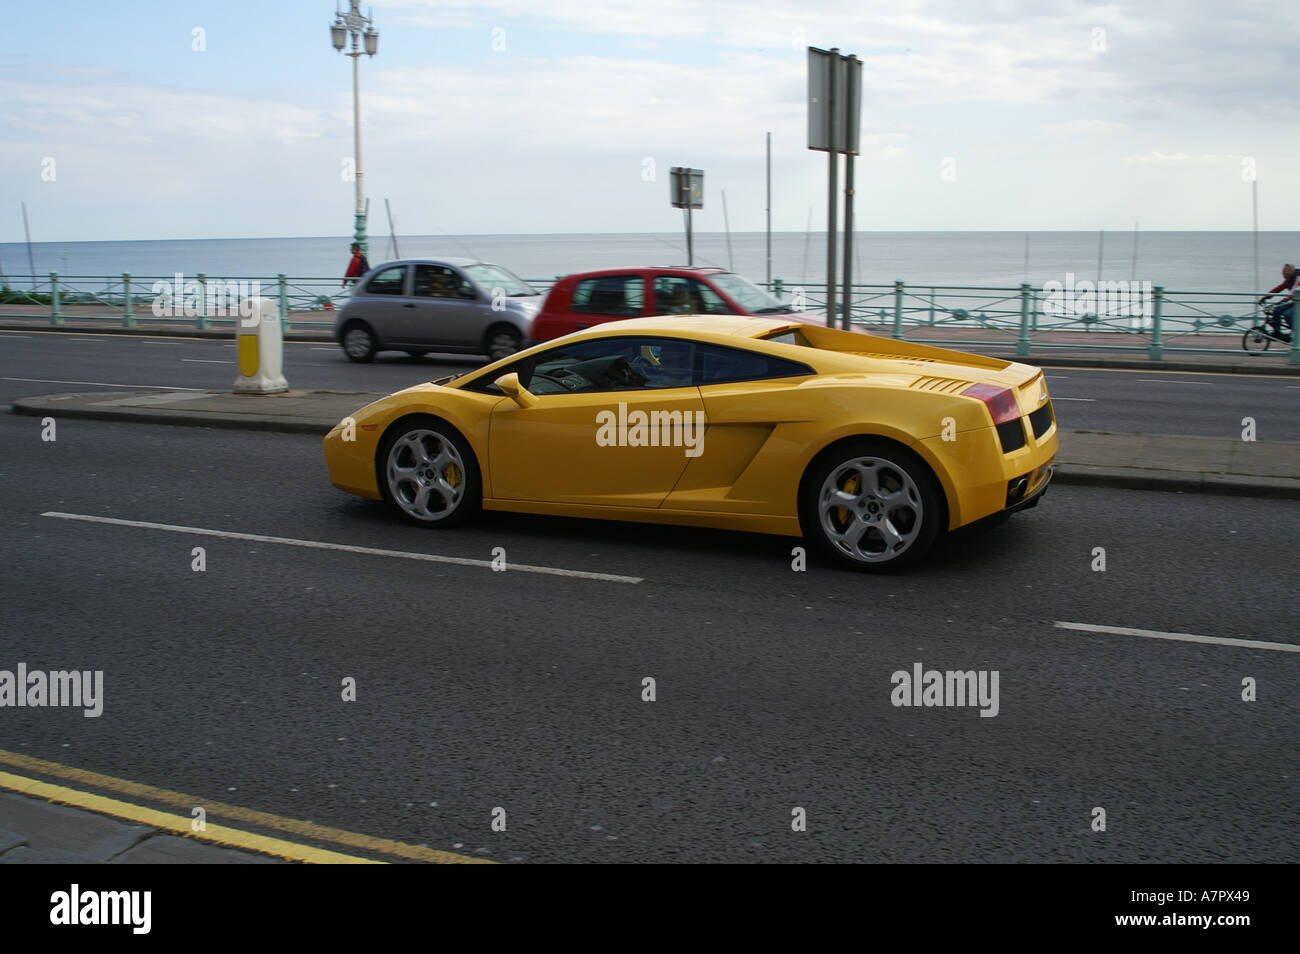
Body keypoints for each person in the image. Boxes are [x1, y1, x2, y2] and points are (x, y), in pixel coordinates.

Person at [1258, 263, 1297, 332]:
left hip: (1297, 302)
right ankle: (1277, 331)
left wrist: (1287, 299)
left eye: (1285, 273)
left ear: (1290, 272)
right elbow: (1278, 288)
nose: (1284, 276)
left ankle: (1297, 332)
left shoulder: (1298, 278)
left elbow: (1294, 290)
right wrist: (1266, 297)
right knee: (1276, 311)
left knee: (1287, 314)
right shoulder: (1288, 280)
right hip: (1295, 302)